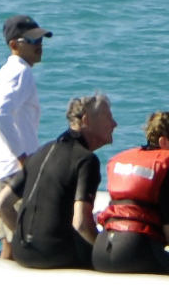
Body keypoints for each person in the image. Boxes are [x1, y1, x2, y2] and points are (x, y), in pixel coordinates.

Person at [7, 92, 115, 271]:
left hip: (21, 252)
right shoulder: (86, 159)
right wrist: (102, 251)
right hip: (56, 254)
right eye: (109, 117)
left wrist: (22, 237)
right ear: (86, 120)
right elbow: (80, 223)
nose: (115, 124)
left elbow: (1, 205)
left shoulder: (40, 152)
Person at [91, 108, 169, 275]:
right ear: (164, 142)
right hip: (133, 251)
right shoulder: (167, 172)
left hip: (101, 252)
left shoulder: (128, 161)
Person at [0, 15, 49, 241]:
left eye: (40, 40)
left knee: (10, 248)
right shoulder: (20, 72)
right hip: (13, 173)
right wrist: (22, 157)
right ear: (14, 45)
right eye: (32, 41)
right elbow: (1, 114)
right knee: (27, 243)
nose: (39, 46)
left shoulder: (5, 73)